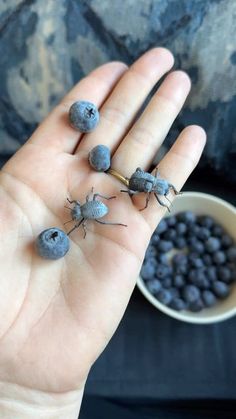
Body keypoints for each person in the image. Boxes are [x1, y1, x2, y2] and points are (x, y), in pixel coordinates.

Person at [0, 47, 206, 418]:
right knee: (102, 214)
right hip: (105, 203)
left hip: (108, 202)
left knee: (105, 213)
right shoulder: (85, 215)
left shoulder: (100, 209)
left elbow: (87, 212)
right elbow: (83, 213)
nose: (73, 215)